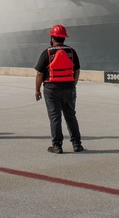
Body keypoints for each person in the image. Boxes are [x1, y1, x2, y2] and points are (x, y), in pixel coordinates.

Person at [34, 24, 83, 154]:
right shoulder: (72, 52)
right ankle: (77, 144)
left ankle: (57, 145)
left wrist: (37, 90)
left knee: (55, 117)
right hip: (69, 87)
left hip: (51, 88)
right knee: (71, 116)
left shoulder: (47, 53)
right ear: (64, 38)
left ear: (52, 38)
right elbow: (77, 70)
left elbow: (39, 74)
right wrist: (73, 84)